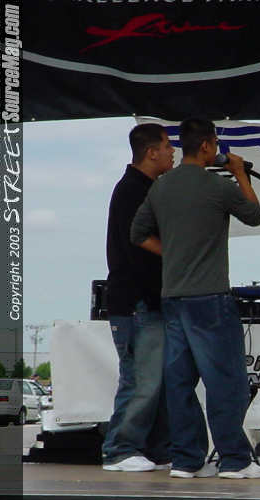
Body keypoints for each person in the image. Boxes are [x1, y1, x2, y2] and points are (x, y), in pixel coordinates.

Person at [131, 118, 260, 479]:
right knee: (225, 382)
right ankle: (235, 460)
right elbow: (255, 216)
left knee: (179, 382)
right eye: (215, 144)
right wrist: (240, 173)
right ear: (206, 146)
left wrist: (174, 254)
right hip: (210, 298)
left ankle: (186, 460)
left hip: (173, 297)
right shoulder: (217, 186)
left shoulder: (161, 186)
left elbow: (137, 233)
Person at [102, 123, 175, 472]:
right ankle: (119, 449)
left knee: (158, 381)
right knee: (140, 380)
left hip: (151, 300)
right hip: (136, 302)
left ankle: (157, 449)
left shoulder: (149, 189)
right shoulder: (132, 190)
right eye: (168, 146)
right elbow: (138, 246)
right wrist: (178, 255)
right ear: (151, 152)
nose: (173, 152)